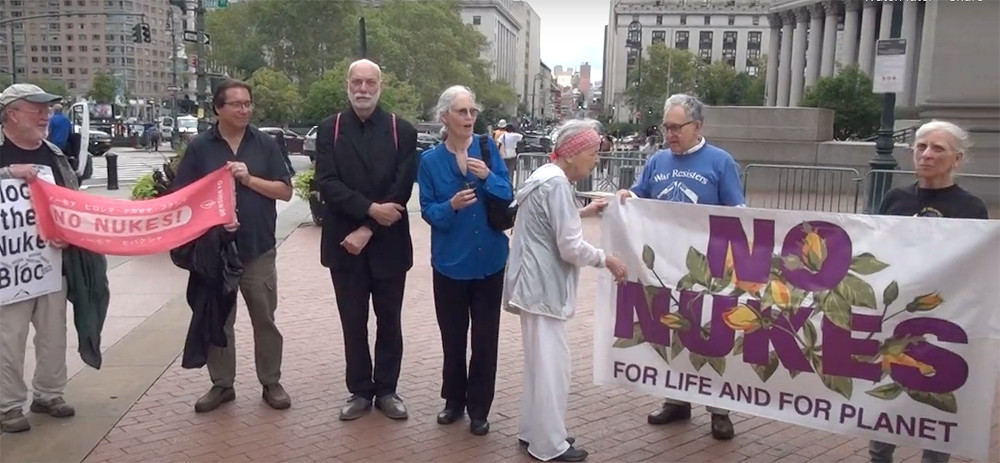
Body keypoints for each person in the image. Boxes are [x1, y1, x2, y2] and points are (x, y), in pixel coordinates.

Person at [616, 93, 744, 440]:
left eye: (676, 127)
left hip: (707, 268)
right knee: (673, 334)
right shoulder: (657, 161)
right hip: (665, 268)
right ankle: (677, 400)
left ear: (697, 126)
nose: (669, 134)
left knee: (711, 336)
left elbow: (738, 213)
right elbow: (641, 195)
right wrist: (629, 197)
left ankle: (719, 409)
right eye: (666, 127)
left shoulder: (720, 162)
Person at [505, 119, 629, 462]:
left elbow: (549, 225)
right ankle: (549, 444)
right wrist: (607, 259)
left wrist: (583, 212)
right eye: (592, 153)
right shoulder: (556, 184)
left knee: (539, 365)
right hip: (543, 287)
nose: (596, 161)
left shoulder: (544, 176)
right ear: (573, 154)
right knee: (552, 368)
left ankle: (536, 431)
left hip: (533, 285)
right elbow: (570, 247)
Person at [172, 79, 293, 414]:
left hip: (258, 248)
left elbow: (284, 191)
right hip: (216, 251)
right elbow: (184, 196)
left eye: (248, 104)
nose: (244, 110)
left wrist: (249, 179)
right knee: (218, 319)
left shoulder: (266, 144)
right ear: (218, 109)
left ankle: (271, 380)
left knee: (264, 318)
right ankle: (222, 384)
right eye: (236, 104)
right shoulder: (200, 147)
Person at [869, 120, 987, 463]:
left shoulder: (971, 209)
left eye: (938, 148)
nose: (926, 154)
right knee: (883, 405)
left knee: (938, 408)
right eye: (921, 147)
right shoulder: (895, 199)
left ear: (957, 159)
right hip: (896, 322)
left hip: (944, 324)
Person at [315, 59, 418, 422]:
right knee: (353, 321)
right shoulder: (330, 128)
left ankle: (387, 389)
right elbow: (327, 183)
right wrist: (371, 211)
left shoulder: (401, 130)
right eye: (357, 82)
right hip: (344, 245)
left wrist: (369, 227)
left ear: (380, 85)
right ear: (347, 84)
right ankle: (359, 390)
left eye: (369, 82)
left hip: (387, 244)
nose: (363, 89)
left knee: (389, 321)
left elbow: (401, 188)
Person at [418, 86, 512, 436]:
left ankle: (479, 409)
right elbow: (429, 212)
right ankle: (454, 400)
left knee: (486, 339)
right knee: (453, 337)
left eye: (473, 111)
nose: (469, 118)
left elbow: (508, 193)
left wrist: (488, 176)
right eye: (462, 112)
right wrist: (451, 206)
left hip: (490, 260)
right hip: (450, 264)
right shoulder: (429, 161)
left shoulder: (487, 149)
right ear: (445, 118)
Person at [0, 84, 79, 433]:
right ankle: (8, 406)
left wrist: (69, 232)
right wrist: (6, 174)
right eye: (37, 109)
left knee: (53, 333)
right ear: (13, 114)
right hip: (7, 268)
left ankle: (48, 393)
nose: (46, 115)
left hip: (49, 261)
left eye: (47, 109)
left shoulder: (53, 154)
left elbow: (71, 201)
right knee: (8, 336)